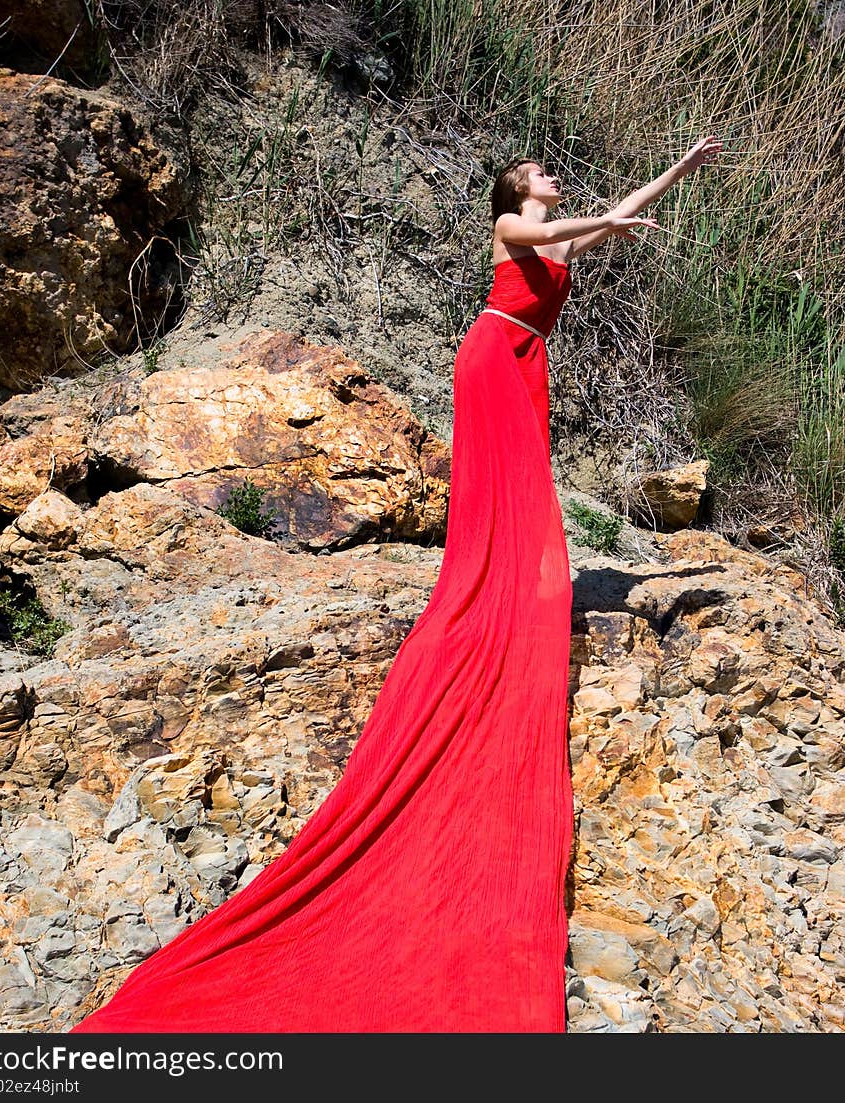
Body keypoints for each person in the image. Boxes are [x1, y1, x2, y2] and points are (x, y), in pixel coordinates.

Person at [69, 135, 723, 1035]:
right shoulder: (509, 225)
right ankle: (486, 598)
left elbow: (603, 221)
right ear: (516, 188)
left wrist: (680, 165)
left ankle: (508, 592)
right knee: (511, 500)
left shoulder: (561, 235)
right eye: (540, 172)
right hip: (493, 360)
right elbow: (569, 227)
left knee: (531, 502)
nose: (551, 177)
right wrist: (603, 219)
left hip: (527, 366)